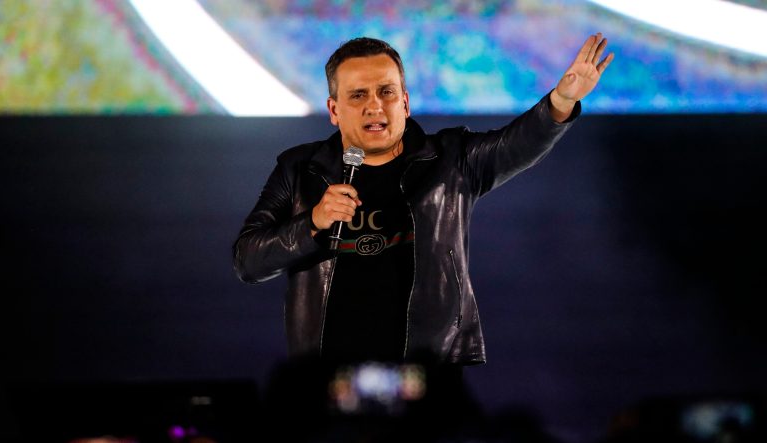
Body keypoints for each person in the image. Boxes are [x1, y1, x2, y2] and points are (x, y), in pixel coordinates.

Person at [233, 35, 613, 368]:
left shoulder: (451, 161)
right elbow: (248, 261)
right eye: (358, 95)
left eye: (386, 92)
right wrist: (312, 222)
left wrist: (561, 100)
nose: (374, 106)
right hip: (326, 377)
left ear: (405, 103)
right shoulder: (300, 169)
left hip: (429, 373)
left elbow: (516, 145)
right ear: (334, 110)